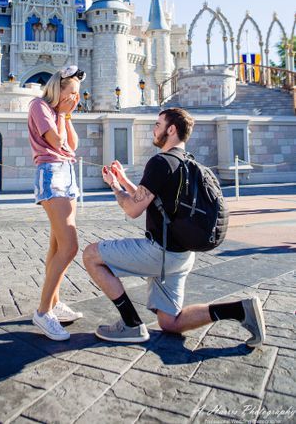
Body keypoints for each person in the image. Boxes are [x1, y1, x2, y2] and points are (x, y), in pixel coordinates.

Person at [83, 107, 266, 346]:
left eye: (158, 125)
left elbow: (132, 209)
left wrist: (114, 187)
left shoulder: (160, 162)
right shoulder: (186, 162)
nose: (154, 129)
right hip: (182, 255)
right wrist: (123, 180)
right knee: (170, 322)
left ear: (171, 129)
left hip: (159, 253)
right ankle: (240, 310)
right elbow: (151, 197)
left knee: (91, 254)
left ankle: (131, 323)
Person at [28, 65, 85, 341]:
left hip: (68, 173)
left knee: (57, 246)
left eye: (78, 93)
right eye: (71, 92)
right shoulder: (39, 106)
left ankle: (53, 303)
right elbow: (56, 142)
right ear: (57, 88)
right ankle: (42, 312)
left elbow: (72, 146)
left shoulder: (60, 113)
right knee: (70, 246)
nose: (75, 97)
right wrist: (62, 113)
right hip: (51, 173)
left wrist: (67, 114)